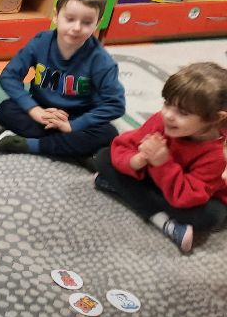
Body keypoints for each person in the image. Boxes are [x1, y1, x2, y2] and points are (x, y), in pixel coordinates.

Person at [94, 62, 227, 253]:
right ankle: (162, 219)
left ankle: (122, 189)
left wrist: (163, 164)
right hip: (158, 183)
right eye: (167, 103)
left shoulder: (217, 154)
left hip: (187, 196)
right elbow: (123, 146)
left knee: (213, 215)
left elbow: (188, 197)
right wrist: (135, 161)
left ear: (215, 118)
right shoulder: (161, 120)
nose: (168, 115)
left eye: (183, 113)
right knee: (104, 157)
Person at [0, 0, 124, 167]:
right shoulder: (40, 42)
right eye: (70, 19)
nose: (77, 27)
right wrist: (34, 110)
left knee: (109, 134)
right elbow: (9, 76)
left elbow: (115, 104)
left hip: (77, 117)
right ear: (56, 15)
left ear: (97, 23)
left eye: (87, 22)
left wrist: (72, 125)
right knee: (5, 110)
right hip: (41, 109)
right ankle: (73, 149)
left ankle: (31, 144)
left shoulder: (101, 61)